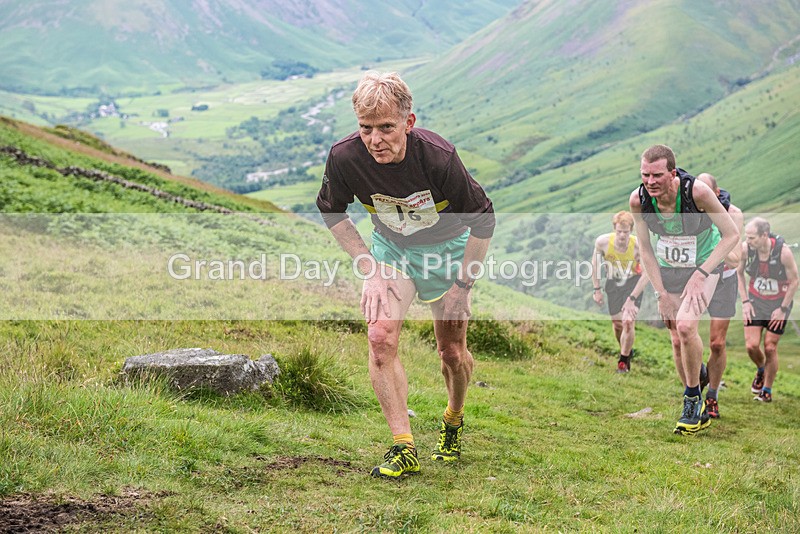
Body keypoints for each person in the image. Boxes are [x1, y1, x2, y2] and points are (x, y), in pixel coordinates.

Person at [316, 71, 495, 478]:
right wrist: (369, 268)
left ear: (408, 123)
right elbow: (331, 210)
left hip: (447, 251)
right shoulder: (345, 157)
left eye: (386, 128)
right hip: (391, 249)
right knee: (380, 337)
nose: (375, 140)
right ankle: (404, 446)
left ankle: (453, 418)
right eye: (365, 129)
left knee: (451, 352)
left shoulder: (437, 157)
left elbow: (484, 220)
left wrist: (463, 286)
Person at [629, 145, 738, 435]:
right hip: (669, 269)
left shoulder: (697, 192)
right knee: (677, 340)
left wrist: (701, 274)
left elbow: (731, 235)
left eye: (657, 175)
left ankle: (692, 402)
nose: (650, 181)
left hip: (706, 263)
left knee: (687, 327)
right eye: (645, 175)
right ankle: (696, 384)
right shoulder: (639, 201)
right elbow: (646, 250)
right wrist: (660, 294)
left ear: (672, 173)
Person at [696, 173, 744, 418]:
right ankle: (697, 380)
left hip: (723, 280)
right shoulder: (691, 208)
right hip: (698, 279)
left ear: (715, 194)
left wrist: (717, 241)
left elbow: (735, 258)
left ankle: (712, 395)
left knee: (717, 342)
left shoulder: (733, 214)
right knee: (684, 332)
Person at [736, 217, 798, 403]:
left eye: (752, 237)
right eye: (747, 237)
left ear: (764, 235)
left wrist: (782, 309)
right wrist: (745, 302)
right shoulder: (747, 250)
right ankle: (761, 369)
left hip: (779, 304)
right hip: (755, 302)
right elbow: (739, 273)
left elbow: (795, 281)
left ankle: (767, 390)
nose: (748, 241)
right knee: (751, 345)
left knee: (770, 347)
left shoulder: (783, 252)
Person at [590, 211, 649, 373]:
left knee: (628, 321)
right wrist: (597, 290)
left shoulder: (638, 245)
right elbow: (595, 266)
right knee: (617, 325)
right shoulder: (602, 242)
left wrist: (632, 297)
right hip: (613, 283)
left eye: (626, 231)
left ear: (631, 230)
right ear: (614, 229)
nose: (622, 235)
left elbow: (647, 274)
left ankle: (623, 362)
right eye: (619, 231)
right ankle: (626, 350)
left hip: (633, 283)